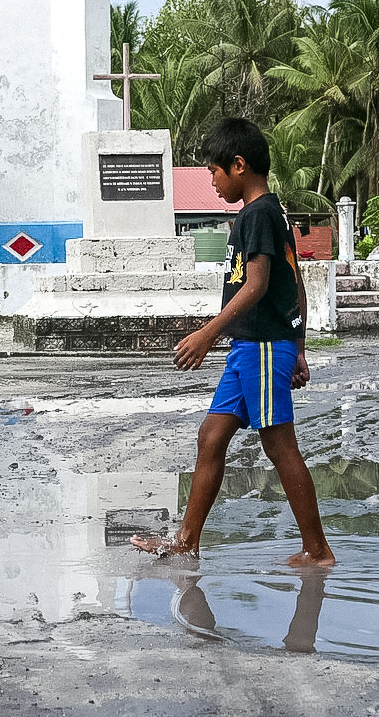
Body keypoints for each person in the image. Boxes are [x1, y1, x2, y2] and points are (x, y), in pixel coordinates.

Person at [132, 118, 336, 568]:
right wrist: (298, 345)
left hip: (261, 345)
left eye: (215, 172)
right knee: (211, 435)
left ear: (239, 165)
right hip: (254, 347)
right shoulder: (268, 213)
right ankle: (187, 540)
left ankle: (318, 549)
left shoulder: (258, 213)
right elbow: (295, 280)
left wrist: (207, 333)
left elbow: (258, 284)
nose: (212, 181)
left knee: (280, 445)